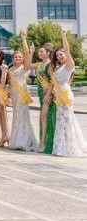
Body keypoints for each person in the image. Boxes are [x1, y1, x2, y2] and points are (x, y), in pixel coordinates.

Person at [49, 28, 87, 157]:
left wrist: (63, 36)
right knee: (61, 120)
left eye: (61, 54)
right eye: (58, 55)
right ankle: (61, 146)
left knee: (67, 120)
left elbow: (67, 50)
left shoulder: (69, 65)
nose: (60, 56)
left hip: (65, 94)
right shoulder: (58, 67)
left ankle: (69, 147)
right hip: (59, 96)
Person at [8, 32, 38, 152]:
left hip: (22, 93)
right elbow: (10, 83)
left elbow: (27, 54)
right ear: (13, 58)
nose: (18, 58)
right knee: (16, 115)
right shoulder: (10, 69)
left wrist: (23, 39)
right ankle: (16, 139)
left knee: (23, 115)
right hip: (14, 95)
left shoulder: (25, 67)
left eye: (20, 57)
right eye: (16, 57)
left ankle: (24, 141)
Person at [33, 44, 56, 153]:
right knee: (44, 116)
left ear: (48, 53)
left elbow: (53, 80)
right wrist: (30, 50)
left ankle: (44, 142)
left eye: (42, 51)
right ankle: (44, 140)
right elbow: (27, 65)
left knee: (44, 116)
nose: (39, 53)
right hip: (41, 93)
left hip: (49, 93)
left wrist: (48, 94)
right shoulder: (39, 64)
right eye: (39, 52)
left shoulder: (51, 64)